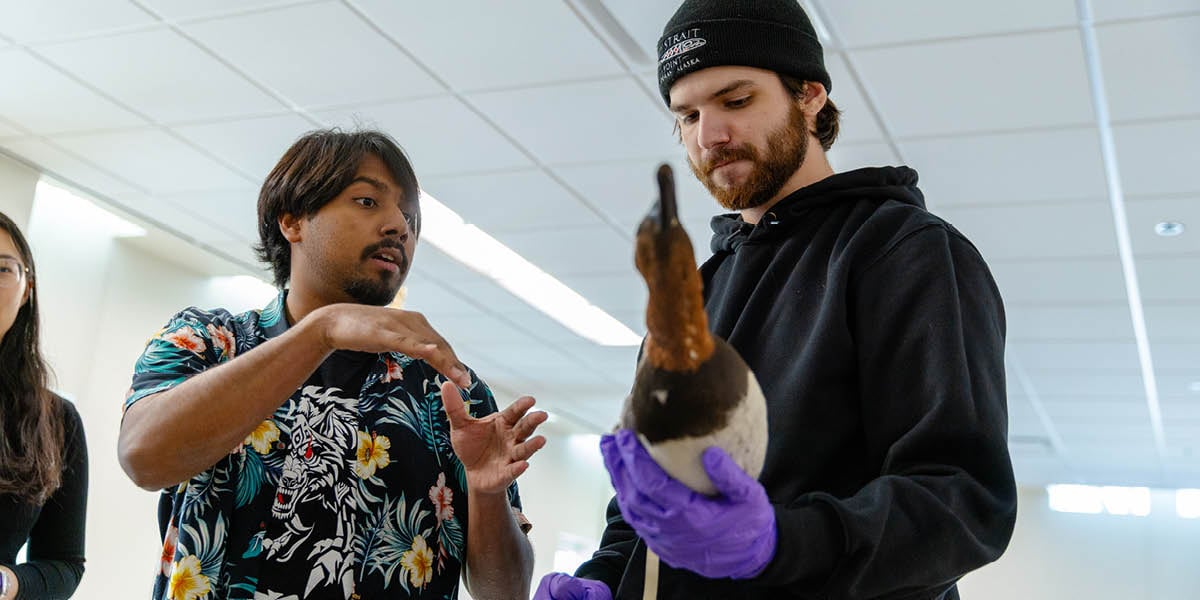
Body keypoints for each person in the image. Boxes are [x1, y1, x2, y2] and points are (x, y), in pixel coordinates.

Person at [535, 1, 1017, 598]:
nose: (709, 135)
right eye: (686, 115)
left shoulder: (902, 254)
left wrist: (781, 544)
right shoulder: (698, 292)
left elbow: (963, 502)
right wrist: (607, 577)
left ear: (810, 95)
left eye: (736, 101)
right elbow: (653, 500)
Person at [118, 129, 546, 600]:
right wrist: (323, 330)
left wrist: (486, 496)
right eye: (367, 201)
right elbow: (143, 457)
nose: (398, 226)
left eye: (409, 216)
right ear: (292, 221)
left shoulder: (449, 391)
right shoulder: (208, 341)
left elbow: (505, 592)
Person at [0, 211, 88, 600]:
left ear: (26, 289)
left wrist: (7, 583)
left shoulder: (56, 421)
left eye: (3, 269)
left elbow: (64, 562)